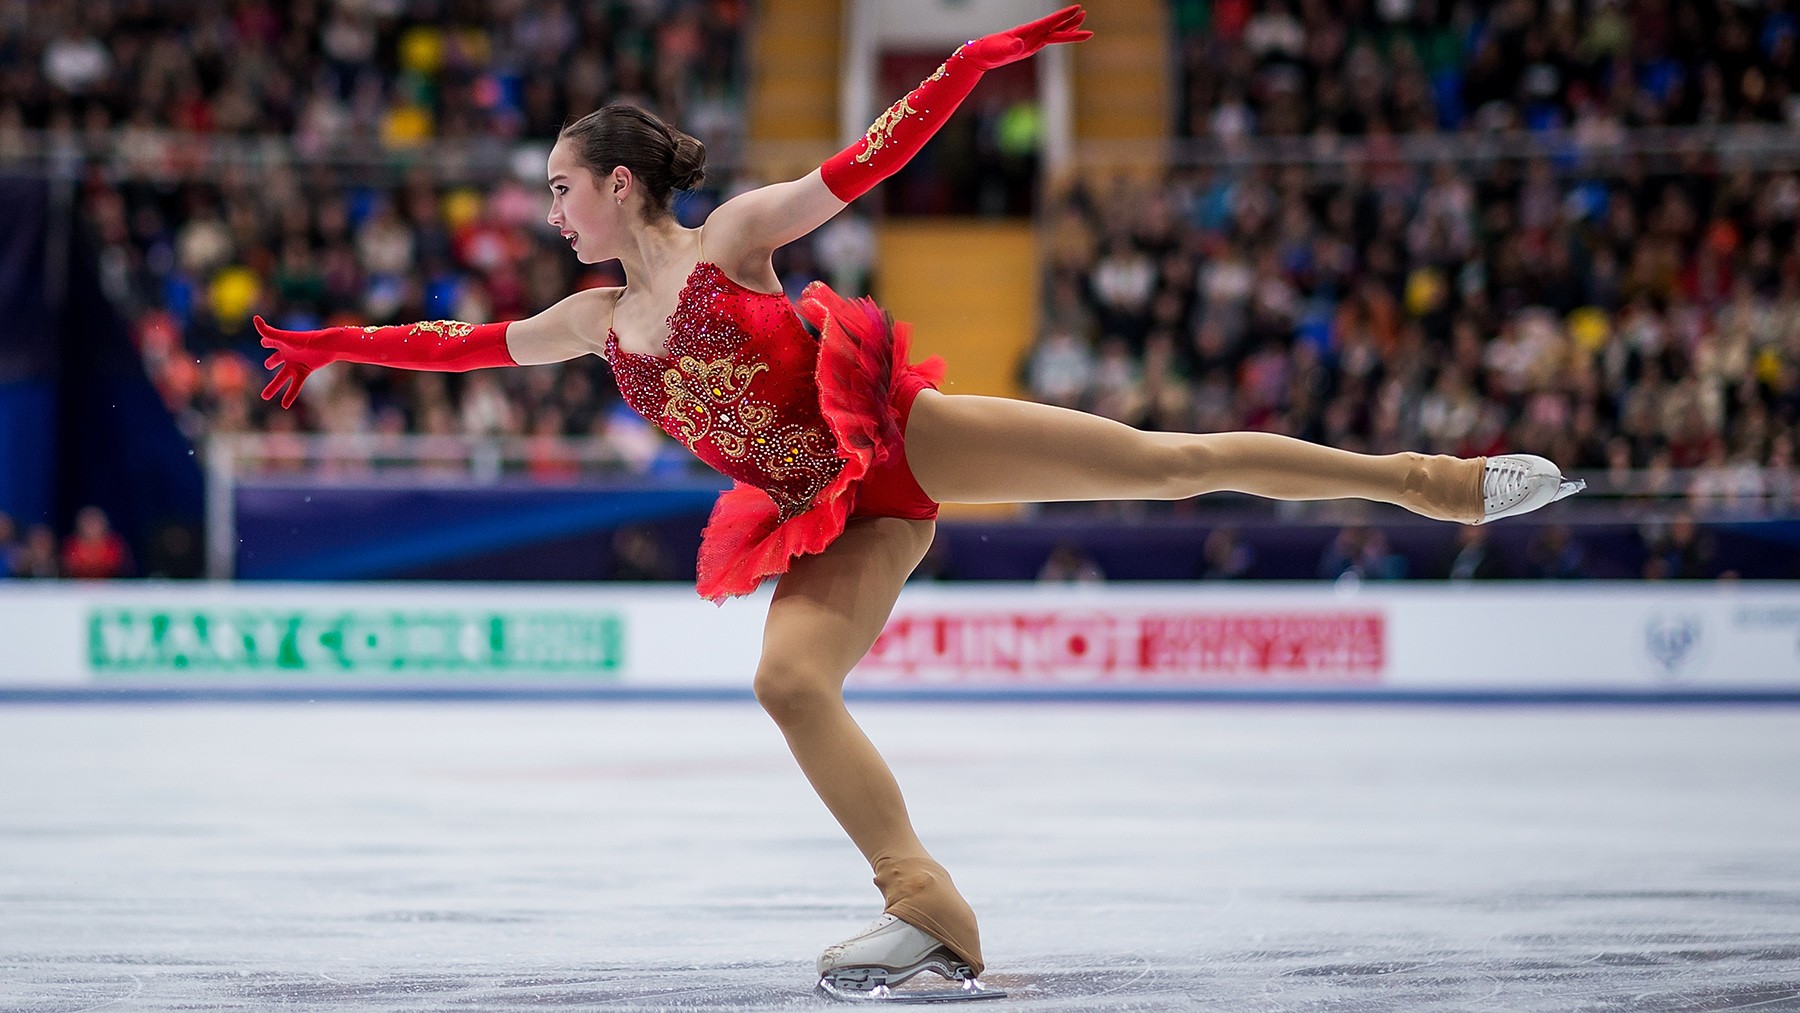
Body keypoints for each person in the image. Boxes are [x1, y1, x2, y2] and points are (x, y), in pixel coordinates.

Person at [254, 6, 1583, 999]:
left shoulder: (733, 241)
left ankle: (1438, 483)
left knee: (1163, 458)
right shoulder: (591, 323)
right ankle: (928, 905)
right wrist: (330, 346)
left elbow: (864, 159)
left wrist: (968, 68)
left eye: (559, 187)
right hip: (846, 515)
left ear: (620, 182)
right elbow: (457, 344)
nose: (548, 213)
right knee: (787, 682)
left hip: (905, 440)